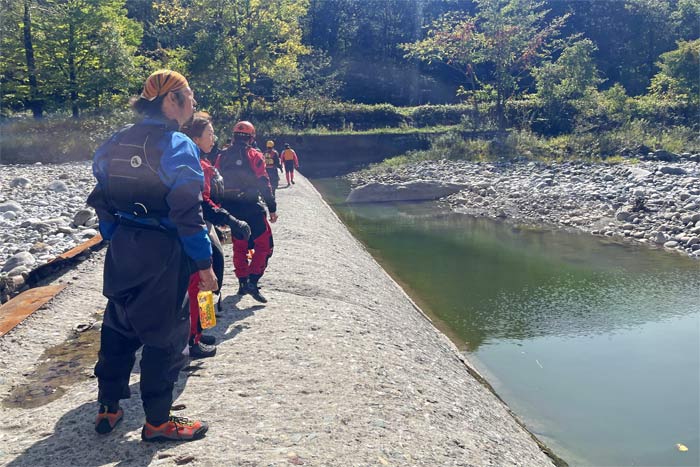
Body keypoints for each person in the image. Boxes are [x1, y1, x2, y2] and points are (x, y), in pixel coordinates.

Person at [87, 70, 213, 442]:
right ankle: (158, 421)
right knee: (166, 336)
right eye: (189, 96)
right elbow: (188, 213)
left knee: (118, 324)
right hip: (162, 251)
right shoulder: (177, 145)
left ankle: (108, 407)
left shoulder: (114, 142)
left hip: (124, 244)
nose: (193, 104)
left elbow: (102, 196)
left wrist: (115, 235)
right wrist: (204, 265)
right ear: (170, 100)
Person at [180, 111, 251, 359]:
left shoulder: (202, 161)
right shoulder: (194, 164)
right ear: (196, 138)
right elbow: (203, 201)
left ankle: (200, 331)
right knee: (201, 282)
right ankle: (190, 338)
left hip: (205, 223)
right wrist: (229, 219)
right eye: (209, 134)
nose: (214, 138)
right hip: (196, 225)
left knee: (211, 277)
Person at [215, 121, 277, 303]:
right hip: (251, 206)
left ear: (234, 136)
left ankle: (242, 282)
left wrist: (219, 208)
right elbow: (264, 182)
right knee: (265, 244)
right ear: (251, 138)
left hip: (231, 207)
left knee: (239, 244)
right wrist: (272, 207)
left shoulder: (222, 156)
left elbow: (216, 182)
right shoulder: (254, 155)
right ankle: (252, 279)